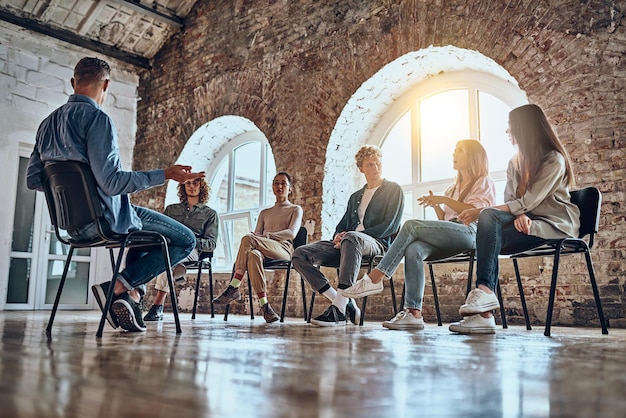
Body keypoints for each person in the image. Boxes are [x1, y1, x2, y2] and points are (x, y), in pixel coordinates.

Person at [26, 57, 203, 332]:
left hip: (72, 227)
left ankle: (132, 297)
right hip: (105, 220)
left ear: (73, 83)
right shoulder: (98, 119)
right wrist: (166, 174)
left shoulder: (46, 124)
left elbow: (34, 180)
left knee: (147, 237)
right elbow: (111, 184)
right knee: (186, 240)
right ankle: (120, 286)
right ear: (106, 84)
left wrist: (73, 191)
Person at [450, 104, 580, 334]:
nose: (508, 132)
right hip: (527, 220)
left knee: (487, 215)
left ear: (524, 129)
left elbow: (530, 199)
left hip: (554, 224)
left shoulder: (554, 160)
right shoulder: (514, 162)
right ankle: (485, 309)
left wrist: (510, 211)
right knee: (489, 230)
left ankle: (485, 302)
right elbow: (512, 198)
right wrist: (520, 214)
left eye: (511, 127)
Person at [342, 140, 496, 330]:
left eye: (459, 151)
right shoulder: (452, 188)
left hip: (470, 232)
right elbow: (445, 221)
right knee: (414, 249)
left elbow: (477, 211)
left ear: (472, 157)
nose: (454, 154)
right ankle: (413, 313)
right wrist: (437, 206)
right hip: (451, 234)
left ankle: (375, 278)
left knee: (411, 225)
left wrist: (443, 199)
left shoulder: (483, 182)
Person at [292, 144, 404, 327]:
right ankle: (343, 302)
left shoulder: (393, 190)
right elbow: (342, 225)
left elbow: (389, 226)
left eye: (377, 163)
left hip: (376, 244)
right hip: (348, 243)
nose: (375, 167)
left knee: (352, 238)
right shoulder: (356, 196)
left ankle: (338, 311)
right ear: (361, 168)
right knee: (299, 254)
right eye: (370, 164)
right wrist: (338, 236)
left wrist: (350, 236)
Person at [212, 172, 303, 323]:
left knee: (248, 239)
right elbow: (257, 235)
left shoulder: (295, 209)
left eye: (283, 183)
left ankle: (234, 286)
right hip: (263, 250)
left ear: (290, 189)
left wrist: (267, 236)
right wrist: (259, 236)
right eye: (276, 183)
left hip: (284, 250)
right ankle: (265, 306)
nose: (279, 186)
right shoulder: (264, 212)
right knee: (253, 254)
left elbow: (291, 233)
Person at [143, 177, 219, 321]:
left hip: (193, 250)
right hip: (169, 246)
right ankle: (178, 270)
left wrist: (189, 240)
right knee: (160, 254)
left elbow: (211, 243)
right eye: (188, 183)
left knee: (168, 258)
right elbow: (160, 231)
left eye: (195, 182)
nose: (191, 186)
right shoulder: (171, 210)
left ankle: (157, 306)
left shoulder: (210, 214)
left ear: (202, 186)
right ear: (183, 187)